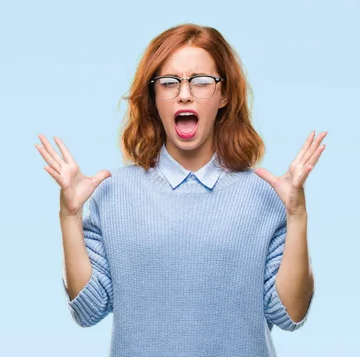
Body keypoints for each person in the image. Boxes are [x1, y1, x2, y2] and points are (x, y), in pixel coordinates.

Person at [35, 23, 325, 357]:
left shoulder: (264, 196)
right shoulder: (112, 193)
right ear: (154, 97)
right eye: (170, 83)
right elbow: (89, 311)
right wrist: (70, 217)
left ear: (224, 94)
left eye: (201, 81)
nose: (184, 93)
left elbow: (290, 313)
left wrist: (297, 216)